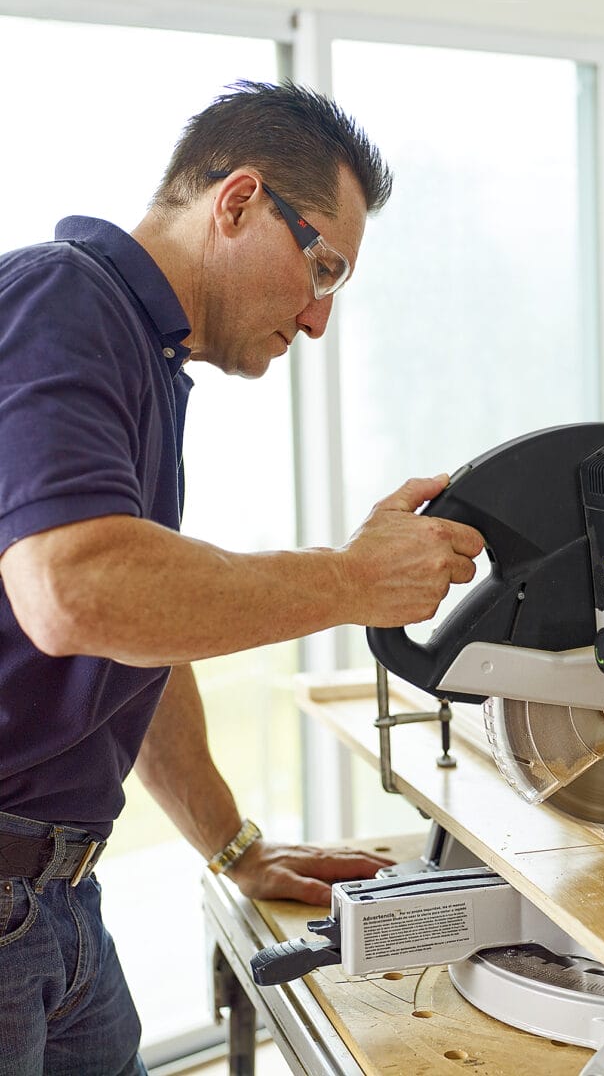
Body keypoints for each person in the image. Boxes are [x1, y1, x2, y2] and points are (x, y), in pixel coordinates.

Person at [0, 80, 485, 1075]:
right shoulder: (65, 297)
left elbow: (134, 637)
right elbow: (75, 593)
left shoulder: (140, 354)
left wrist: (234, 846)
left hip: (56, 899)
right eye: (325, 269)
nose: (316, 321)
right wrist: (354, 579)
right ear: (238, 202)